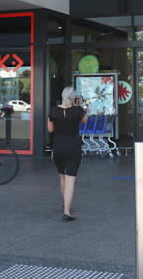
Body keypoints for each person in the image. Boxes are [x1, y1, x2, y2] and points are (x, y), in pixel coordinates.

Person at [48, 86, 88, 221]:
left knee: (62, 177)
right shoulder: (78, 110)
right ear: (73, 98)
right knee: (71, 179)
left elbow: (50, 129)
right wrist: (81, 105)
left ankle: (65, 203)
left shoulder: (53, 110)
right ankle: (67, 211)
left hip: (58, 147)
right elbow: (85, 121)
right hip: (73, 147)